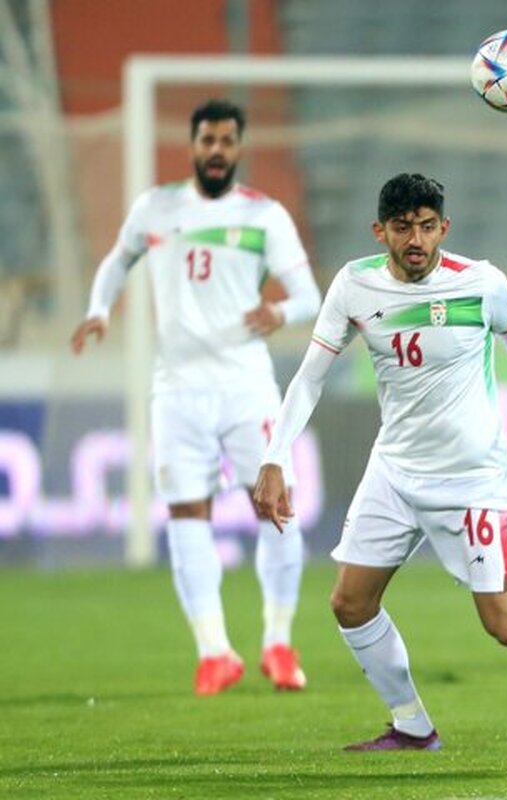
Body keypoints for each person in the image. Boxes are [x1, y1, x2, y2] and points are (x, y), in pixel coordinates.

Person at [252, 173, 507, 752]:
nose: (416, 239)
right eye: (402, 228)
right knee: (350, 603)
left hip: (473, 479)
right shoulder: (354, 287)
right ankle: (412, 726)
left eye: (426, 227)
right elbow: (310, 377)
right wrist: (275, 458)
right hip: (394, 471)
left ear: (443, 228)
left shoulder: (481, 284)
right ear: (381, 232)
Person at [70, 99, 321, 696]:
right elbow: (116, 261)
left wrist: (277, 310)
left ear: (239, 148)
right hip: (176, 389)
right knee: (186, 512)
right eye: (207, 139)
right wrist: (99, 309)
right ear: (193, 145)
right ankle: (214, 651)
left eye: (226, 141)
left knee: (275, 506)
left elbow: (310, 294)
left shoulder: (264, 215)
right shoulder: (156, 206)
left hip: (245, 386)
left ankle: (279, 643)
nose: (216, 150)